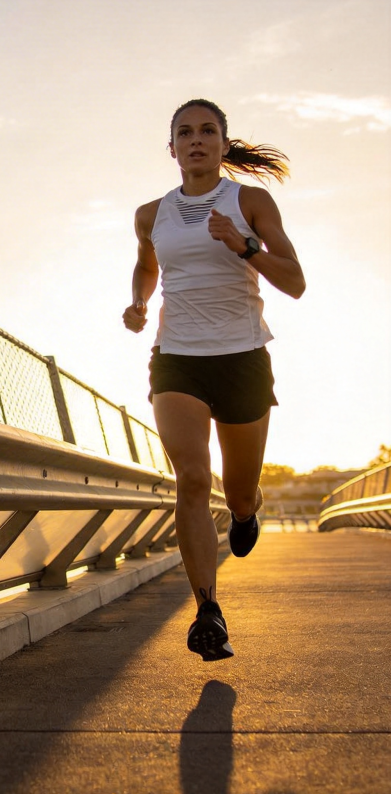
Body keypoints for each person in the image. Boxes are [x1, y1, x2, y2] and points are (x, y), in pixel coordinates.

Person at [122, 99, 305, 661]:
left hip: (243, 358)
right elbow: (148, 265)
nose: (196, 140)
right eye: (185, 132)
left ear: (224, 145)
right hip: (177, 359)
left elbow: (295, 282)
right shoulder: (151, 214)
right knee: (194, 480)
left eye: (208, 131)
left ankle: (247, 512)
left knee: (238, 487)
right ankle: (208, 611)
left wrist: (244, 245)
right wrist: (137, 303)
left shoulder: (249, 201)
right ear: (171, 148)